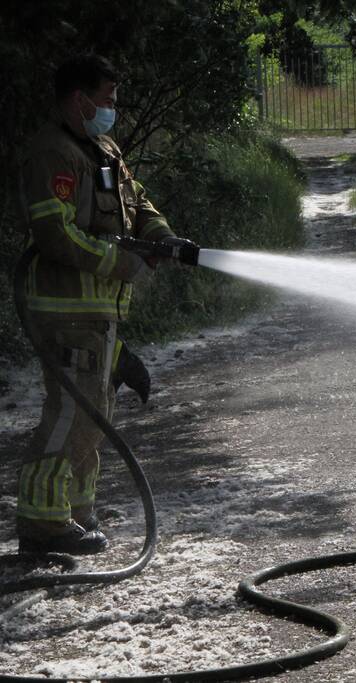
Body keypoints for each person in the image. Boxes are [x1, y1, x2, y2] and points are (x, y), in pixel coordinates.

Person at [15, 54, 188, 555]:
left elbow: (138, 201)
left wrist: (161, 237)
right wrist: (120, 264)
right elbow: (53, 234)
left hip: (101, 312)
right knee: (70, 413)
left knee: (93, 414)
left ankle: (74, 513)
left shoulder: (104, 148)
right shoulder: (52, 154)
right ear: (79, 99)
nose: (113, 108)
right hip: (65, 309)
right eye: (107, 100)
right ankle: (42, 525)